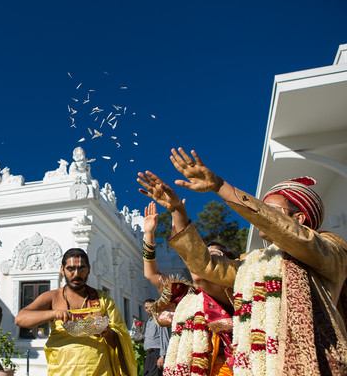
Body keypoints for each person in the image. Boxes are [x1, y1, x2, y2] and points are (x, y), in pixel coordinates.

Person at [137, 147, 347, 375]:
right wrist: (177, 210)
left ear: (299, 218)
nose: (261, 215)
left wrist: (219, 187)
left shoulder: (330, 249)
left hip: (316, 364)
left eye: (270, 210)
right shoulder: (255, 264)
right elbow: (205, 268)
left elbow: (291, 235)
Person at [141, 201, 235, 376]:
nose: (205, 259)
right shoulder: (188, 297)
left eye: (213, 256)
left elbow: (199, 273)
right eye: (204, 254)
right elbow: (151, 275)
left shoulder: (234, 292)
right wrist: (149, 234)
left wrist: (178, 219)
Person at [15, 248, 137, 376]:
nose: (76, 274)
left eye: (81, 269)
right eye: (71, 269)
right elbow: (20, 319)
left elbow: (121, 338)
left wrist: (107, 333)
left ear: (88, 269)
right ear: (62, 270)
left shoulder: (102, 299)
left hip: (99, 371)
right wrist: (54, 313)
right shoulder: (53, 297)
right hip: (62, 371)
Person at [142, 299, 170, 376]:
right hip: (149, 355)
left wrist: (162, 356)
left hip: (156, 353)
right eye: (146, 308)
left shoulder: (159, 319)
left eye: (150, 307)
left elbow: (164, 338)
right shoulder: (149, 321)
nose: (148, 309)